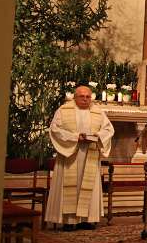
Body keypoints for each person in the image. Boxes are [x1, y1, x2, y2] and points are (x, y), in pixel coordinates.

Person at [45, 85, 114, 230]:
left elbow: (108, 129)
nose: (85, 99)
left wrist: (97, 136)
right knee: (71, 186)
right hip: (70, 154)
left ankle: (87, 220)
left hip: (90, 153)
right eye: (82, 96)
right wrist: (75, 137)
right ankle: (69, 221)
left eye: (88, 97)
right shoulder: (63, 110)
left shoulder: (98, 112)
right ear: (74, 97)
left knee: (88, 186)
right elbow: (55, 129)